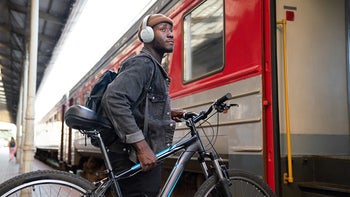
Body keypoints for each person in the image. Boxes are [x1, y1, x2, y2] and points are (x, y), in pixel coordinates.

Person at [101, 13, 183, 196]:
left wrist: (167, 112)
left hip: (136, 154)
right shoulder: (143, 64)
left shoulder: (153, 66)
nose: (170, 34)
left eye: (171, 30)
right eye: (163, 30)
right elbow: (114, 99)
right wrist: (142, 147)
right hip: (132, 155)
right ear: (147, 35)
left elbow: (140, 106)